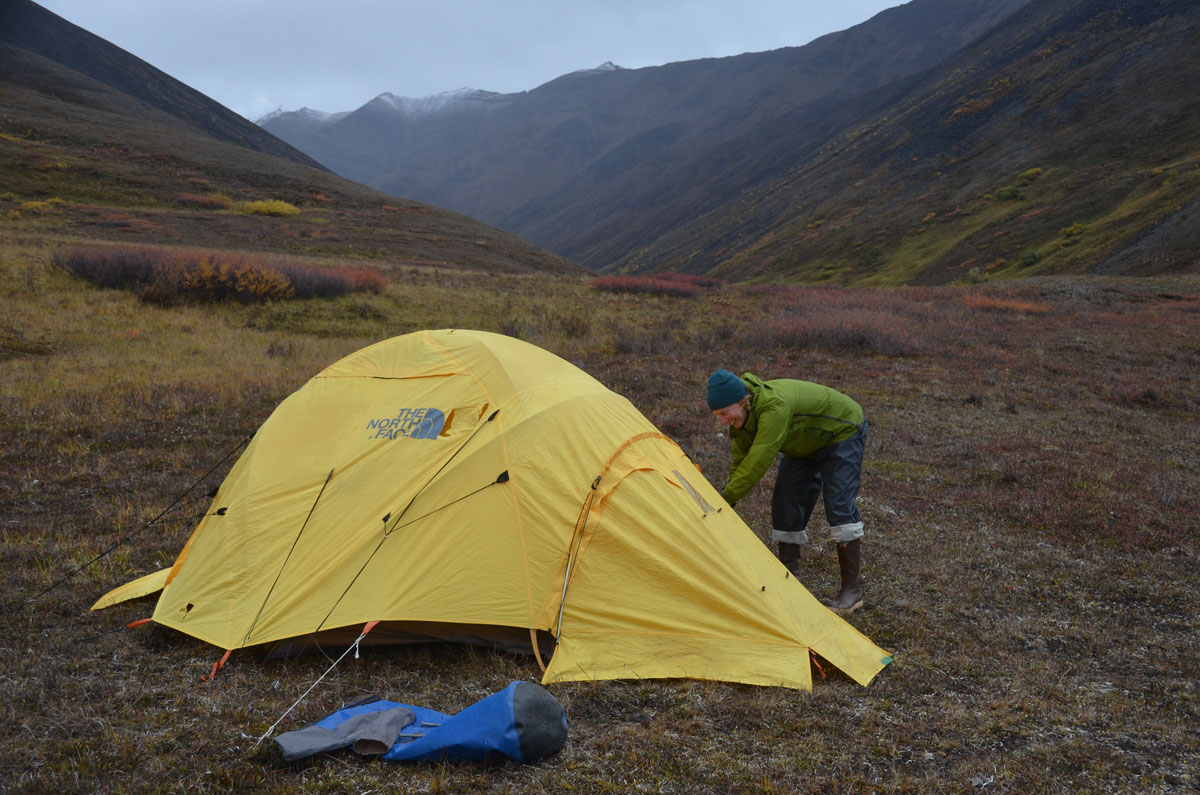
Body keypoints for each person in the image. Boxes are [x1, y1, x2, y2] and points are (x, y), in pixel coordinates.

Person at [706, 369, 868, 615]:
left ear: (742, 401)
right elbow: (741, 460)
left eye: (725, 413)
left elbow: (758, 460)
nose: (723, 421)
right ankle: (789, 582)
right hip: (804, 442)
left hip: (841, 431)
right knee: (785, 504)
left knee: (838, 505)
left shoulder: (774, 407)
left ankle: (852, 592)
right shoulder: (742, 420)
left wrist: (726, 499)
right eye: (718, 416)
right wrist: (722, 500)